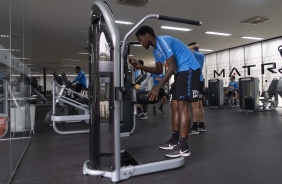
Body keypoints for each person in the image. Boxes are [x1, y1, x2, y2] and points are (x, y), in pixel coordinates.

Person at [129, 25, 201, 157]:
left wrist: (157, 88)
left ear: (147, 35)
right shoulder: (156, 51)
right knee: (174, 105)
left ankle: (184, 147)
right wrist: (141, 66)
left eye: (140, 40)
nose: (140, 43)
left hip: (189, 68)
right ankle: (174, 140)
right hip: (181, 71)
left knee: (182, 105)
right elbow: (159, 70)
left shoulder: (163, 41)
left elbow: (172, 66)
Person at [188, 42, 206, 134]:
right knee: (199, 104)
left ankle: (195, 127)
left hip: (195, 81)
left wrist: (192, 47)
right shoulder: (202, 55)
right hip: (200, 81)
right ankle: (201, 125)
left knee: (194, 104)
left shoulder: (194, 54)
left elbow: (187, 48)